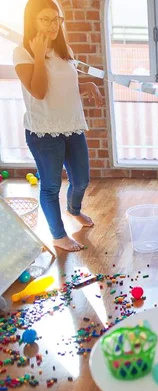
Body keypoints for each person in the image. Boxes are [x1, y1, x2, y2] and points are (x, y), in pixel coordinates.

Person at [13, 0, 103, 252]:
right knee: (51, 186)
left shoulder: (65, 50)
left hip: (72, 127)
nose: (53, 25)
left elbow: (64, 84)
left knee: (82, 180)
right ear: (32, 20)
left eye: (57, 19)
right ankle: (58, 235)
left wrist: (87, 85)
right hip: (44, 132)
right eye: (46, 19)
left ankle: (74, 210)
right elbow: (39, 91)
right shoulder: (22, 53)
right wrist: (39, 55)